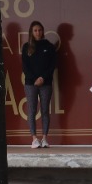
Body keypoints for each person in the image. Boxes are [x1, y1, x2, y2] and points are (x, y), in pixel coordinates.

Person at [22, 20, 58, 148]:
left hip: (46, 82)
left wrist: (43, 77)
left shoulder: (49, 46)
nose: (38, 32)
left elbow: (52, 65)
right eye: (35, 30)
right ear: (32, 32)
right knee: (31, 110)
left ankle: (44, 139)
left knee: (44, 111)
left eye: (40, 30)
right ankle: (34, 139)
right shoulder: (26, 47)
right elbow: (25, 67)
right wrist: (34, 79)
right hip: (30, 84)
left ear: (43, 31)